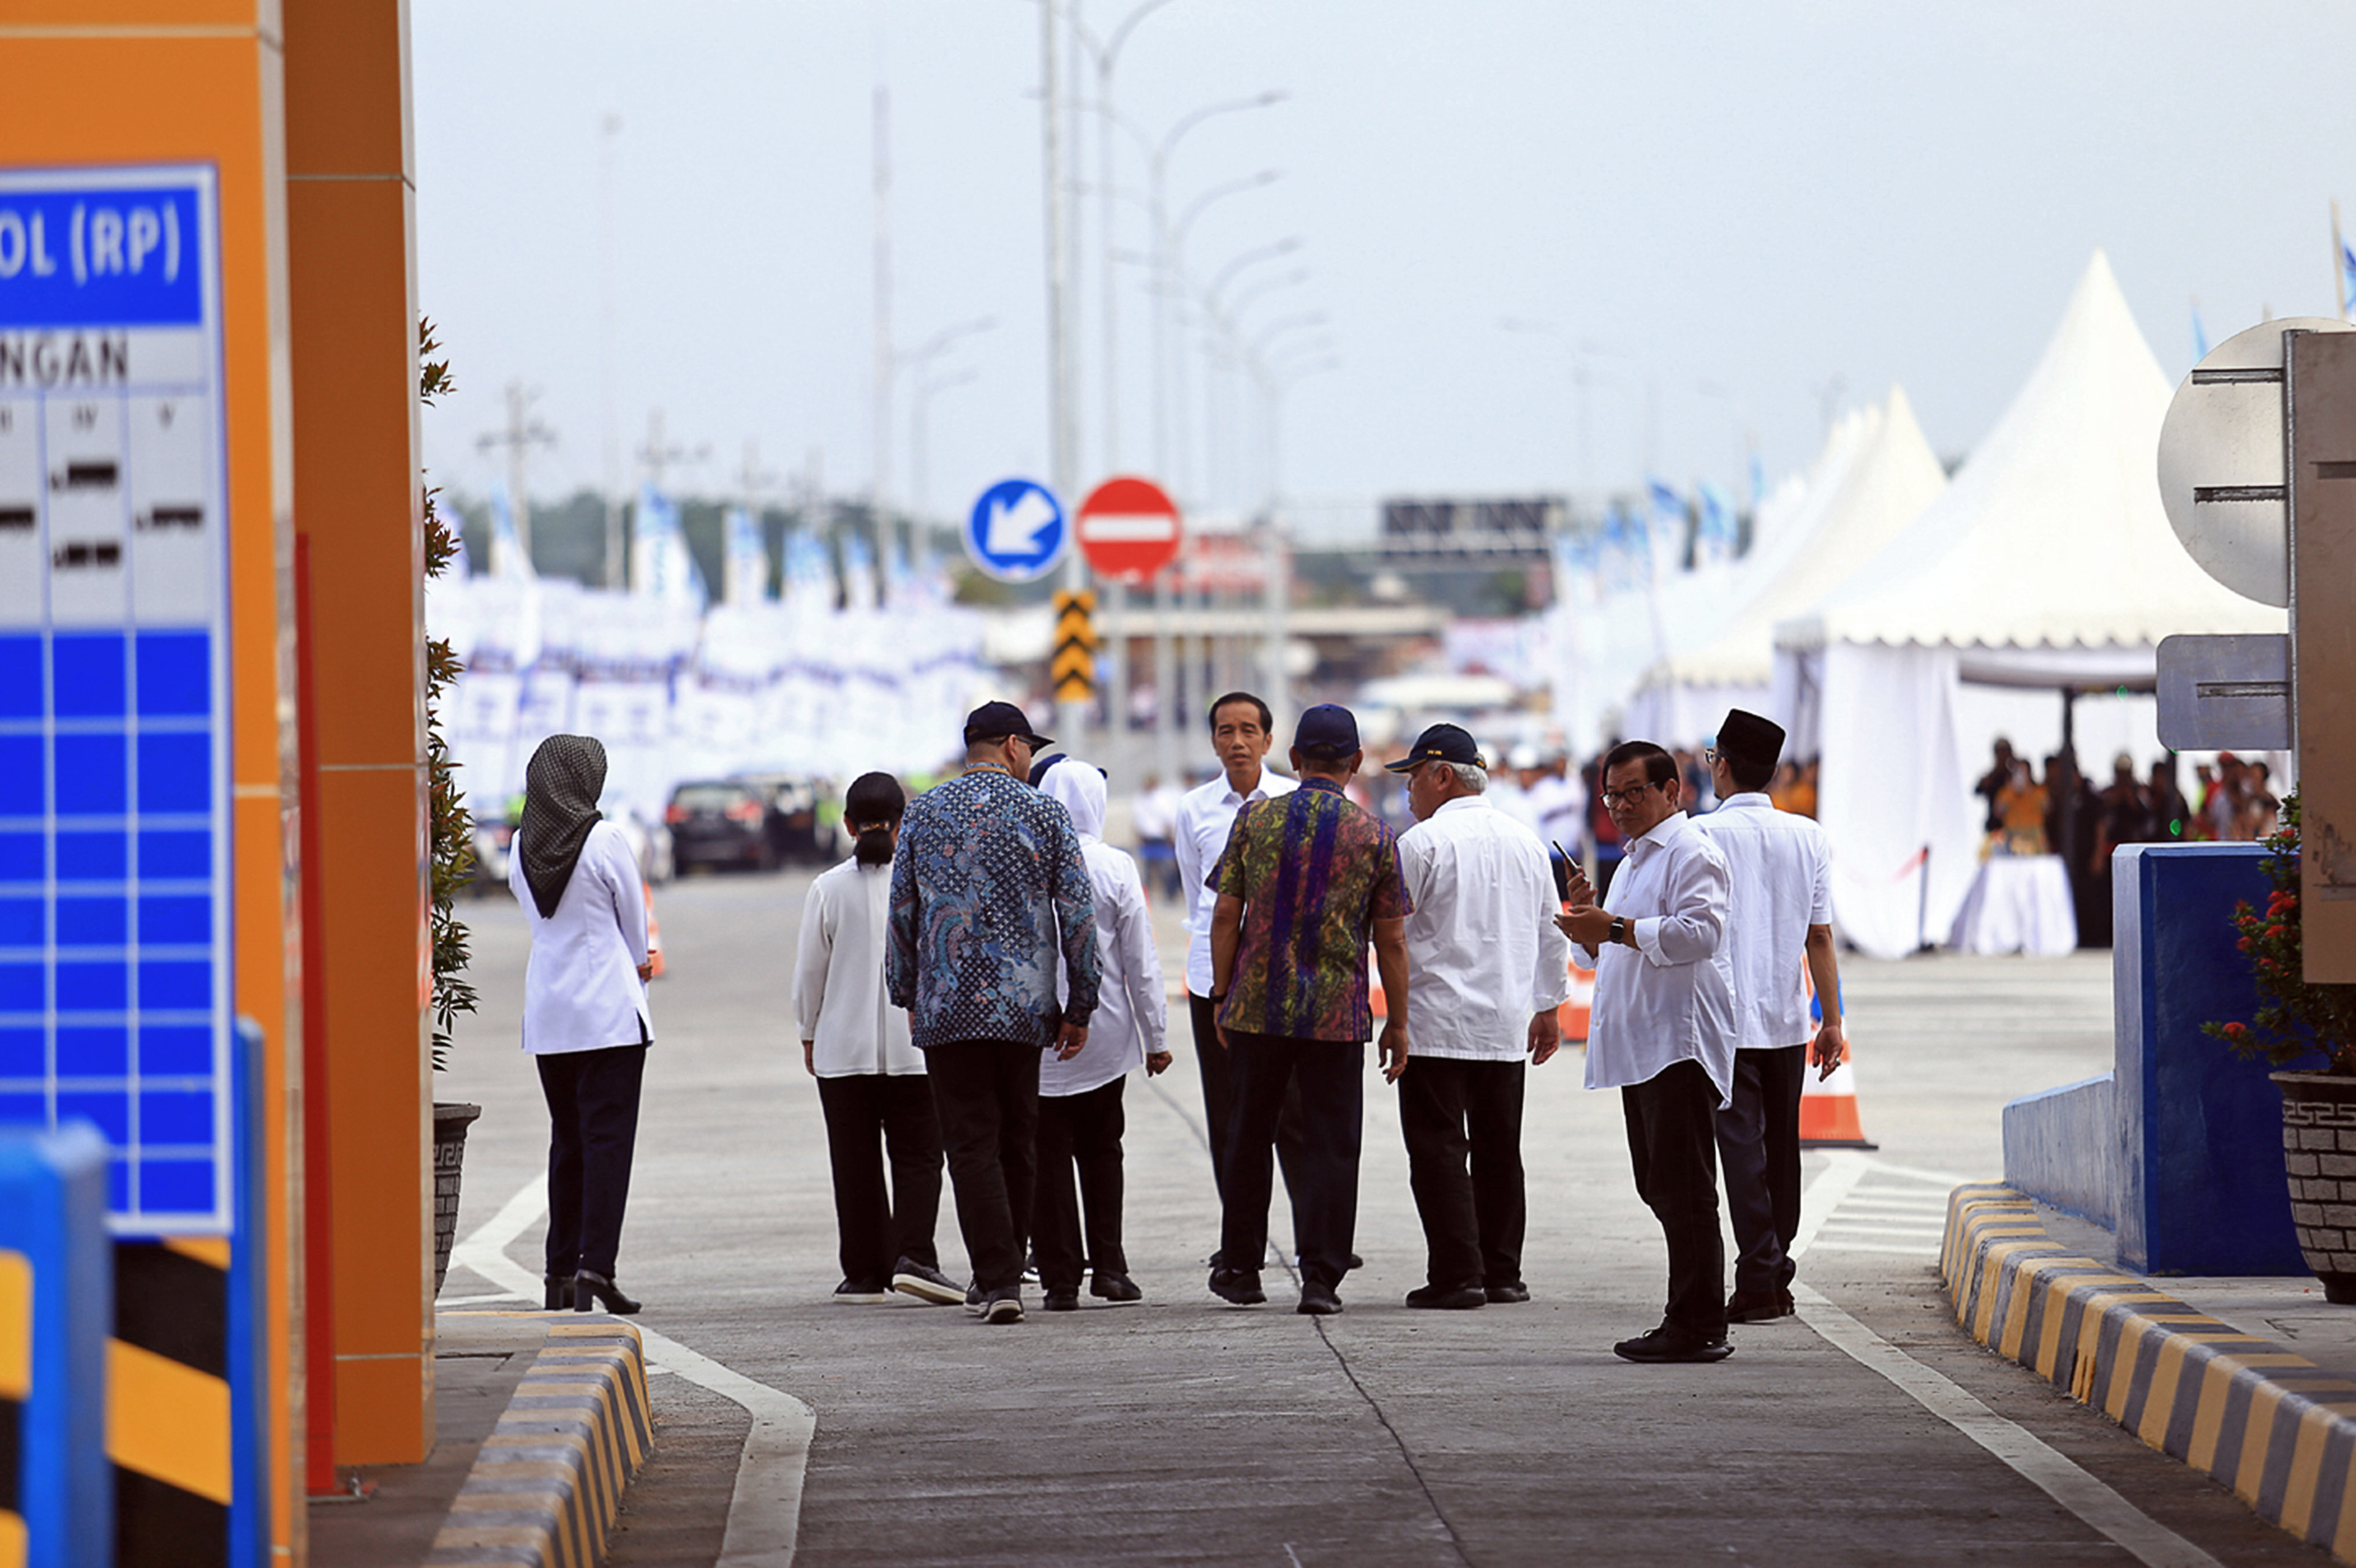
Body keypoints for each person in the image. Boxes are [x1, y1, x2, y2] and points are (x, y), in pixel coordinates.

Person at [887, 702, 1100, 1325]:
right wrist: (1080, 1001)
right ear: (1012, 745)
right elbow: (1078, 916)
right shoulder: (1044, 811)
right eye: (1028, 748)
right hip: (1021, 1006)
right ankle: (1007, 1270)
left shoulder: (923, 810)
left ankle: (996, 1276)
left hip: (946, 1006)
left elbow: (902, 912)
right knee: (1019, 1138)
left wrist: (905, 991)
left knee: (969, 1142)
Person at [1206, 704, 1412, 1316]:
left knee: (1247, 1135)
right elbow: (1392, 941)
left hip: (1255, 1010)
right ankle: (1320, 1278)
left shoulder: (1254, 819)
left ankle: (1240, 1270)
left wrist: (1222, 994)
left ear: (1293, 760)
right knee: (1330, 1141)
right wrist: (1397, 1022)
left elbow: (1224, 916)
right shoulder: (1375, 836)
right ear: (1354, 764)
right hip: (1335, 1017)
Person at [1558, 740, 1736, 1363]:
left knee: (1684, 1188)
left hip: (1676, 1043)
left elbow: (1703, 933)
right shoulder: (1633, 860)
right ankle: (1689, 1315)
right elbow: (1605, 946)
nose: (1620, 806)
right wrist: (1589, 917)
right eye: (1611, 794)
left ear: (1672, 790)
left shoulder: (1691, 852)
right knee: (1659, 1184)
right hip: (1642, 1045)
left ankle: (1696, 1323)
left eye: (1634, 792)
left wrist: (1609, 927)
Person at [1387, 724, 1572, 1309]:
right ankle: (1501, 1271)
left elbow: (1393, 935)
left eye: (1413, 778)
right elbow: (1552, 928)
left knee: (1438, 1148)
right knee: (1498, 1148)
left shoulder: (1419, 845)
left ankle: (1456, 1273)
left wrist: (1394, 1017)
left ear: (1442, 776)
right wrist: (1548, 1005)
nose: (1408, 793)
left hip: (1436, 1022)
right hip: (1503, 1020)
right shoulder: (1525, 842)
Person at [1693, 711, 1844, 1324]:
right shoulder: (1806, 836)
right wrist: (1830, 1020)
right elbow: (1820, 938)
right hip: (1785, 1018)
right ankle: (1774, 1268)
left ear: (1722, 766)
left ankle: (1759, 1276)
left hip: (1722, 1021)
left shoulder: (1699, 836)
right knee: (1780, 1150)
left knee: (1739, 1152)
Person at [794, 773, 963, 1308]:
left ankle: (864, 1271)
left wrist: (808, 1032)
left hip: (842, 1050)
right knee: (919, 1156)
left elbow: (809, 974)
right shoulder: (927, 879)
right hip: (916, 1046)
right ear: (904, 819)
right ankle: (915, 1254)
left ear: (846, 824)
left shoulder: (827, 887)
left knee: (854, 1159)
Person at [509, 734, 654, 1315]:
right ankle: (597, 1266)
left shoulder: (522, 843)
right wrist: (637, 968)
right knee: (607, 1143)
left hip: (549, 1013)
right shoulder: (604, 837)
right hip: (609, 1015)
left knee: (567, 1142)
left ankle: (558, 1272)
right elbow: (635, 924)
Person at [1031, 757, 1173, 1311]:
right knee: (1102, 1150)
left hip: (1037, 1035)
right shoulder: (1115, 866)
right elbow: (1141, 960)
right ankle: (1110, 1267)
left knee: (1046, 1156)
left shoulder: (1025, 860)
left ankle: (1059, 1278)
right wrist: (1155, 1035)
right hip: (1105, 1033)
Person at [1172, 692, 1306, 1246]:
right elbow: (1197, 900)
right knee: (1228, 1118)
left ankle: (1314, 1241)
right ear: (1213, 740)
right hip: (1215, 983)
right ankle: (1241, 1246)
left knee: (1293, 1119)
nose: (1237, 741)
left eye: (1249, 730)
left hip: (1282, 982)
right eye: (1225, 731)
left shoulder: (1296, 800)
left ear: (1269, 740)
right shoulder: (1194, 809)